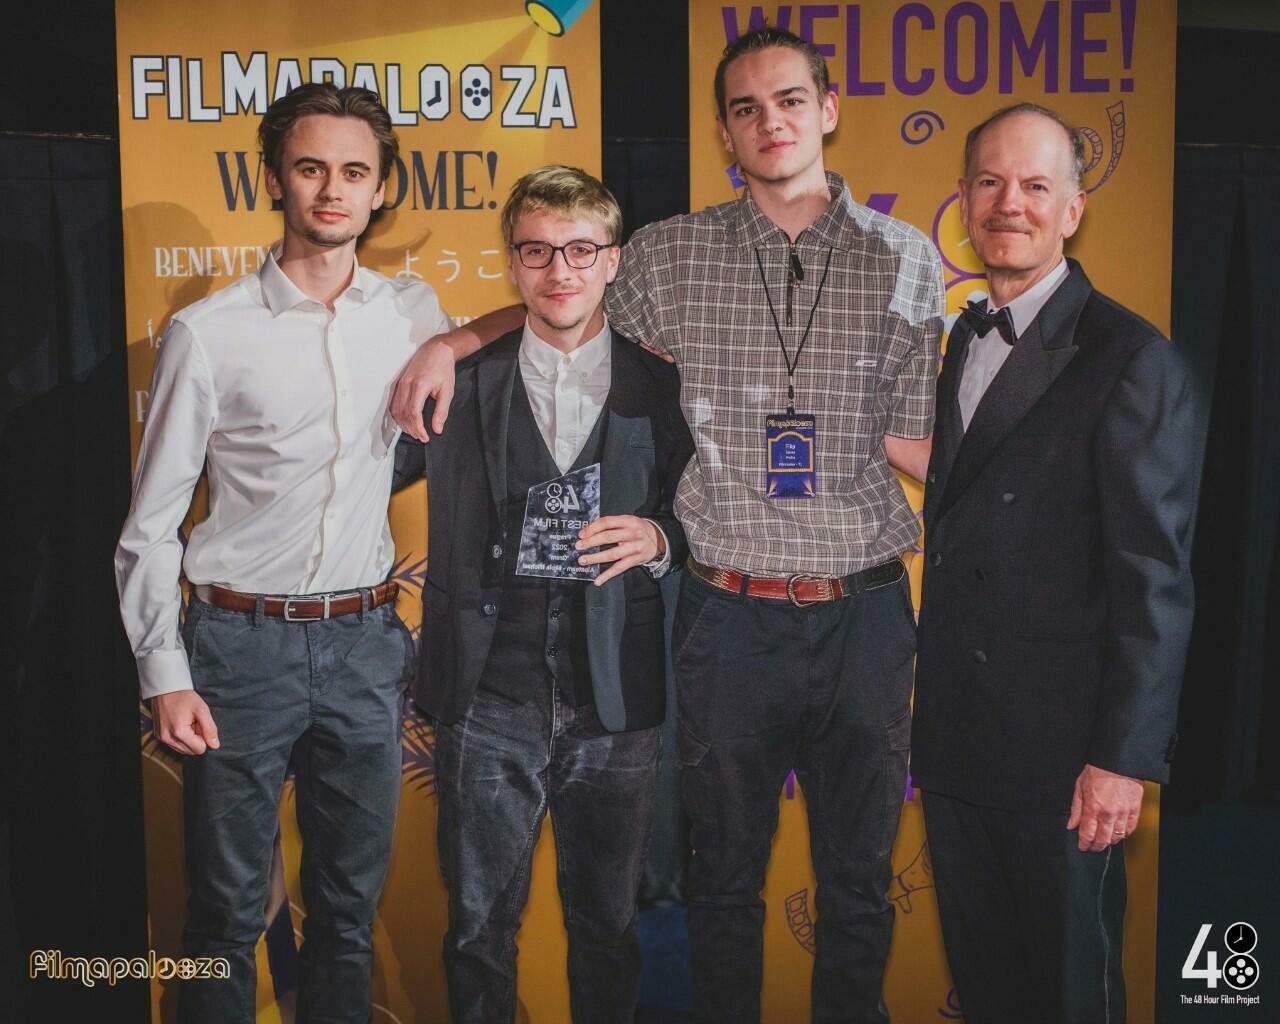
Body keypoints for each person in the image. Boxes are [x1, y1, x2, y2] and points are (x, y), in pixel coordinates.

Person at [390, 27, 944, 1024]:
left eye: (788, 100)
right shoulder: (666, 253)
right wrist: (454, 340)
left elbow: (915, 437)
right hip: (725, 617)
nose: (768, 122)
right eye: (744, 108)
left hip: (863, 611)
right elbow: (566, 309)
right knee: (720, 884)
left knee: (859, 886)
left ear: (826, 109)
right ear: (724, 131)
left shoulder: (904, 258)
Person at [114, 84, 452, 1023]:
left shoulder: (414, 314)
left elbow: (527, 328)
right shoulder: (209, 332)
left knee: (347, 916)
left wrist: (457, 341)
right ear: (274, 179)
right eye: (311, 168)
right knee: (224, 917)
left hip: (366, 644)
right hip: (236, 649)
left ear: (381, 189)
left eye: (354, 171)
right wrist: (163, 673)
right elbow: (150, 524)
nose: (332, 190)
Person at [911, 103, 1196, 1023]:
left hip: (1063, 757)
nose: (1011, 204)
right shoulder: (963, 336)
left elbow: (1154, 579)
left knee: (1069, 994)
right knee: (988, 990)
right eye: (991, 183)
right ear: (964, 200)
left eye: (1036, 186)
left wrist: (1120, 759)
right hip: (957, 738)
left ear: (1073, 209)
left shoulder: (1131, 357)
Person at [394, 165, 692, 1023]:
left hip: (618, 695)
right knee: (478, 931)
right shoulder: (459, 380)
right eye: (537, 252)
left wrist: (661, 539)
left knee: (609, 926)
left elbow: (708, 512)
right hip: (488, 694)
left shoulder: (664, 386)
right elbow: (359, 475)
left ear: (613, 260)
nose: (560, 270)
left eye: (580, 250)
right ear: (513, 262)